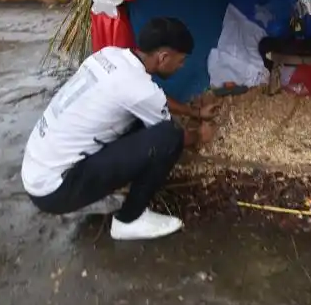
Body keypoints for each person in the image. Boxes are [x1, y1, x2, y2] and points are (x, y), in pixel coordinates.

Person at [21, 17, 219, 241]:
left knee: (138, 123)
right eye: (180, 61)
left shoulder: (109, 55)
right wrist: (199, 135)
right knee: (169, 137)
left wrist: (194, 113)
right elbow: (170, 132)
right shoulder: (139, 89)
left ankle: (107, 187)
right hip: (54, 190)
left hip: (36, 168)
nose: (181, 66)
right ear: (163, 57)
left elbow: (153, 98)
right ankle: (129, 220)